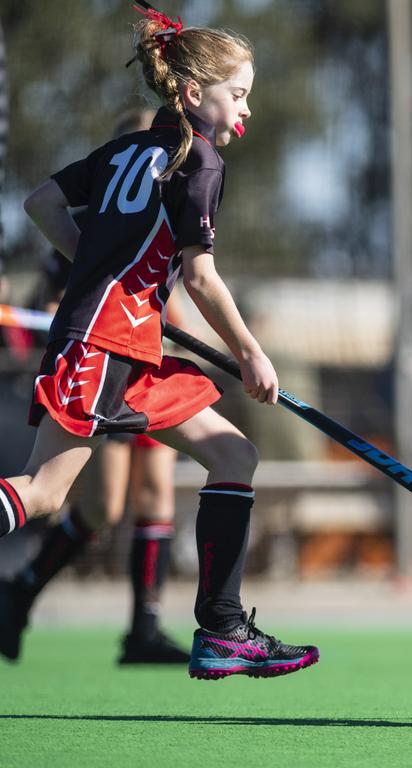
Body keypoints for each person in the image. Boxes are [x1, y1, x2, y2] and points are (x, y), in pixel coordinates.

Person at [0, 6, 318, 680]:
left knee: (234, 453)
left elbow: (40, 203)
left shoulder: (123, 150)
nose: (246, 111)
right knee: (49, 491)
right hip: (101, 342)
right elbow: (200, 278)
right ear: (195, 93)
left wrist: (98, 264)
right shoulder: (197, 159)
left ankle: (223, 630)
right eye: (239, 95)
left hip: (127, 344)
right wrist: (250, 354)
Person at [0, 107, 195, 666]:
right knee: (103, 506)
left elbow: (172, 293)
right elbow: (58, 294)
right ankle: (24, 589)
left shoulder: (172, 208)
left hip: (149, 368)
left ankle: (144, 628)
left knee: (156, 493)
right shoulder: (98, 220)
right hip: (102, 362)